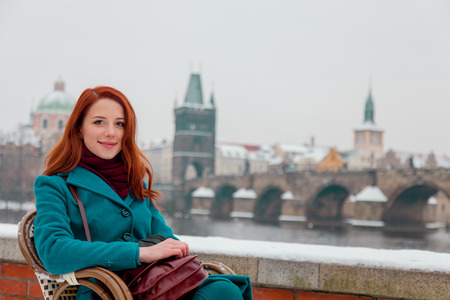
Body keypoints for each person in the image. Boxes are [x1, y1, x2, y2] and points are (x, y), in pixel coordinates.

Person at [33, 86, 252, 300]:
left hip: (154, 285)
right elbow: (53, 251)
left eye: (120, 124)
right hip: (106, 291)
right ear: (79, 128)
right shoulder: (55, 185)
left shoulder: (135, 183)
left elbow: (166, 240)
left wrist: (173, 250)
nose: (111, 132)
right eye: (99, 122)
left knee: (223, 290)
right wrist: (138, 253)